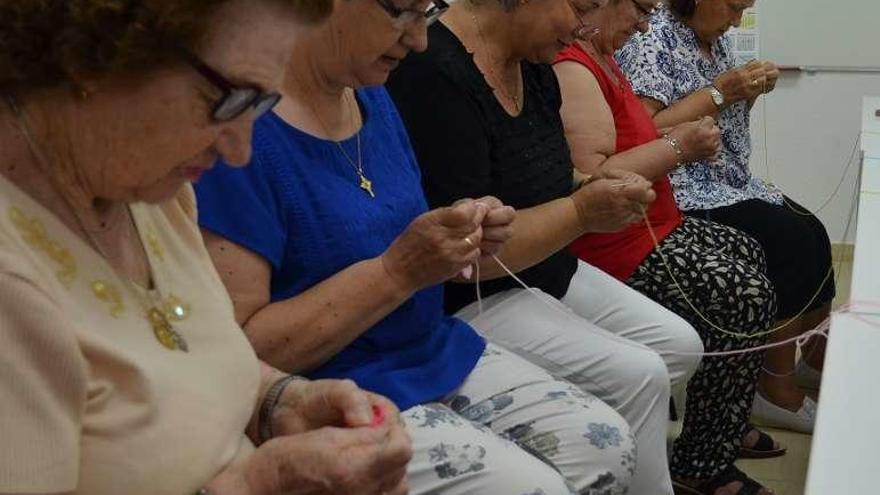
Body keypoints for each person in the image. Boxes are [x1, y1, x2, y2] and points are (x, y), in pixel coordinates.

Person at [194, 0, 652, 492]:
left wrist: (460, 236)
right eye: (402, 13)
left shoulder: (371, 97)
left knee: (605, 444)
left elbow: (405, 235)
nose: (418, 40)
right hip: (332, 387)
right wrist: (399, 271)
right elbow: (242, 351)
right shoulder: (242, 135)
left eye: (428, 14)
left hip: (428, 349)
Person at [0, 2, 413, 495]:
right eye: (230, 100)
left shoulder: (150, 191)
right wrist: (262, 483)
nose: (240, 150)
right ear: (94, 57)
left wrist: (280, 403)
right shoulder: (15, 283)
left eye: (260, 106)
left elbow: (182, 358)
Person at [385, 0, 709, 492]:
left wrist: (590, 186)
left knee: (678, 346)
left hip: (544, 268)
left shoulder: (535, 66)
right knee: (639, 373)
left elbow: (547, 178)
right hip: (472, 297)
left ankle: (631, 467)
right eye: (580, 7)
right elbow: (467, 255)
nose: (583, 26)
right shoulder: (433, 76)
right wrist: (583, 211)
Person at [553, 1, 784, 493]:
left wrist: (681, 137)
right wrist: (680, 146)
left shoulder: (608, 58)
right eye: (638, 9)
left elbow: (642, 136)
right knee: (742, 295)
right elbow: (594, 178)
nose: (642, 24)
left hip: (654, 224)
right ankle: (701, 467)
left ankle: (719, 424)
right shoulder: (574, 67)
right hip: (618, 244)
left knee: (749, 253)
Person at [616, 0, 832, 434]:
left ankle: (811, 357)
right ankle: (773, 386)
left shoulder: (713, 41)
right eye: (734, 8)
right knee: (787, 239)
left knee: (813, 229)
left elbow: (724, 115)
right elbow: (643, 129)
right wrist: (721, 92)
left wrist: (745, 92)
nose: (737, 21)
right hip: (683, 190)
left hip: (728, 180)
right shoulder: (652, 38)